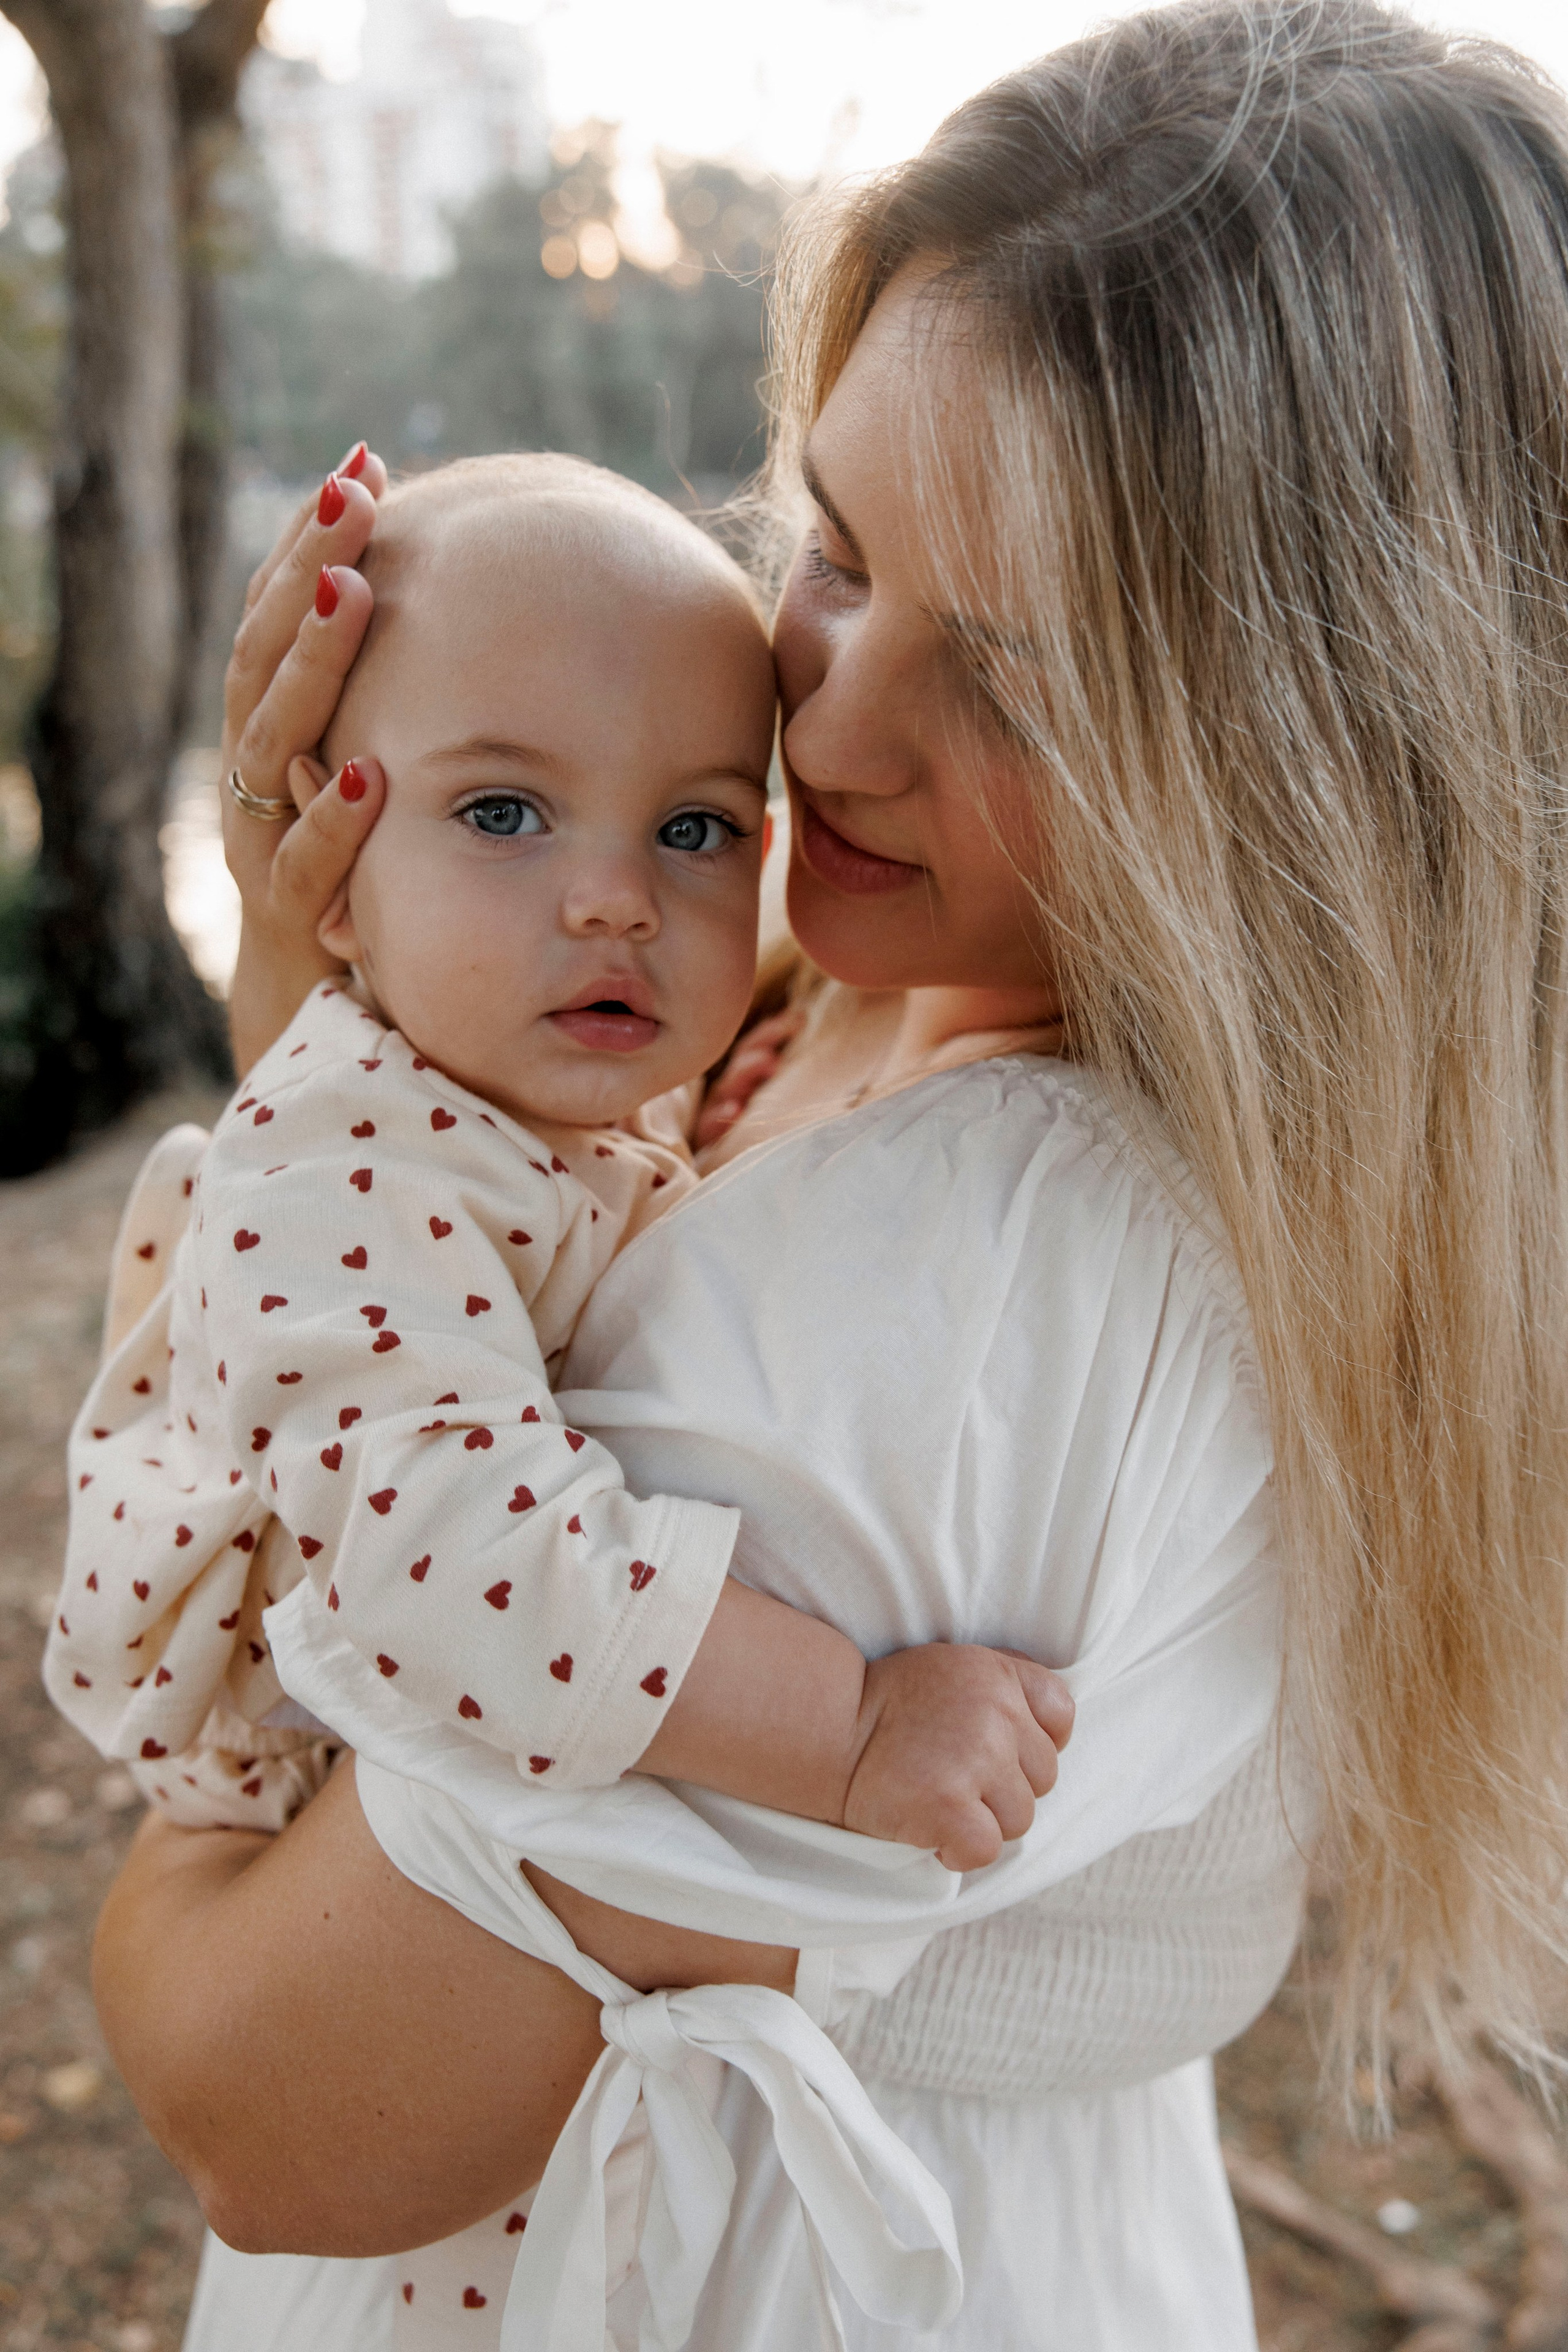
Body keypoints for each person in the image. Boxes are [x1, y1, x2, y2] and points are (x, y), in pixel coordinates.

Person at [86, 2, 1568, 2344]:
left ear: (1315, 769)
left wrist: (206, 1771)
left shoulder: (977, 1280)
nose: (832, 729)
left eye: (1032, 677)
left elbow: (273, 2104)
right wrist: (353, 1042)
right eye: (842, 549)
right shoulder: (812, 1017)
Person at [48, 453, 1066, 1891]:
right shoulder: (340, 1170)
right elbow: (460, 1569)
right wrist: (847, 1730)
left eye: (693, 829)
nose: (613, 898)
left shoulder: (551, 1105)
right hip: (304, 1780)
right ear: (330, 862)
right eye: (503, 814)